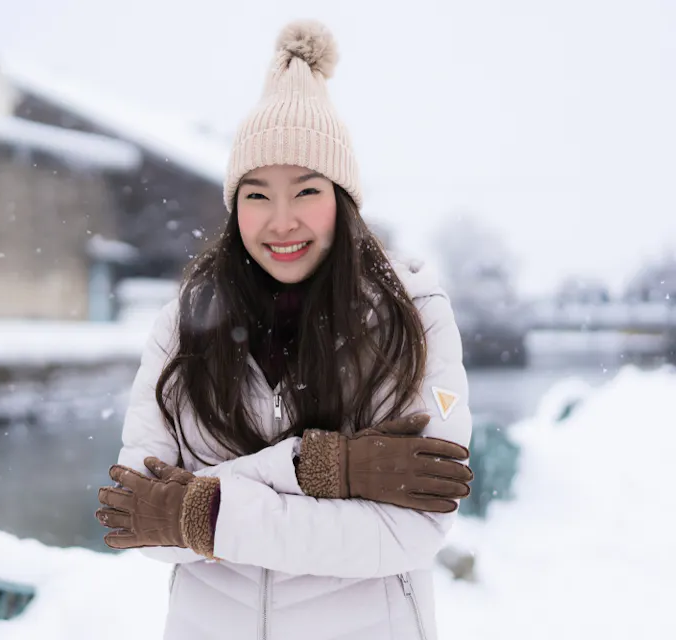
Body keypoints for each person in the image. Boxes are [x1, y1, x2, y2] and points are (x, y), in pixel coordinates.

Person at [96, 19, 474, 640]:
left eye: (305, 190)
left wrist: (200, 512)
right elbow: (138, 515)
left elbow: (410, 531)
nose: (281, 221)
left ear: (342, 199)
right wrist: (319, 470)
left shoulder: (412, 320)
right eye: (256, 195)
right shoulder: (184, 327)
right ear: (233, 206)